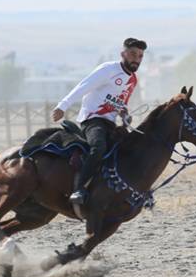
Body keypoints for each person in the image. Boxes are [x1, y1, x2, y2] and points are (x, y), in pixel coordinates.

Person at [52, 37, 146, 206]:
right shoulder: (108, 70)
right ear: (123, 53)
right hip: (92, 120)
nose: (136, 59)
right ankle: (79, 189)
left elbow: (121, 104)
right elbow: (82, 86)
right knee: (99, 147)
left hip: (110, 124)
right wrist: (62, 106)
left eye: (140, 56)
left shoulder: (133, 80)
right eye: (133, 54)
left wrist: (124, 114)